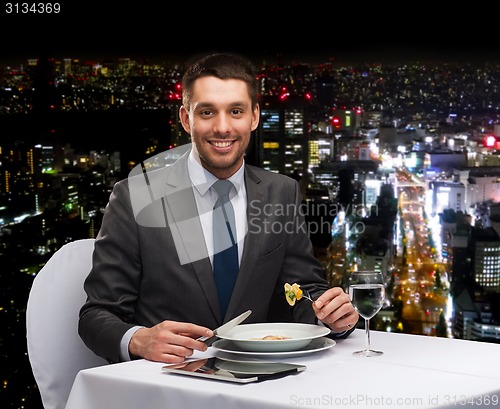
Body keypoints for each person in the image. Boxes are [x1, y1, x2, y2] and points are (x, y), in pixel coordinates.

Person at [78, 52, 359, 365]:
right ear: (187, 119)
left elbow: (304, 291)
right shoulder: (135, 196)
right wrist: (138, 340)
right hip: (167, 386)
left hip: (260, 382)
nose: (223, 127)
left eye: (236, 111)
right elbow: (96, 315)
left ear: (254, 117)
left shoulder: (282, 191)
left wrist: (331, 316)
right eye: (208, 112)